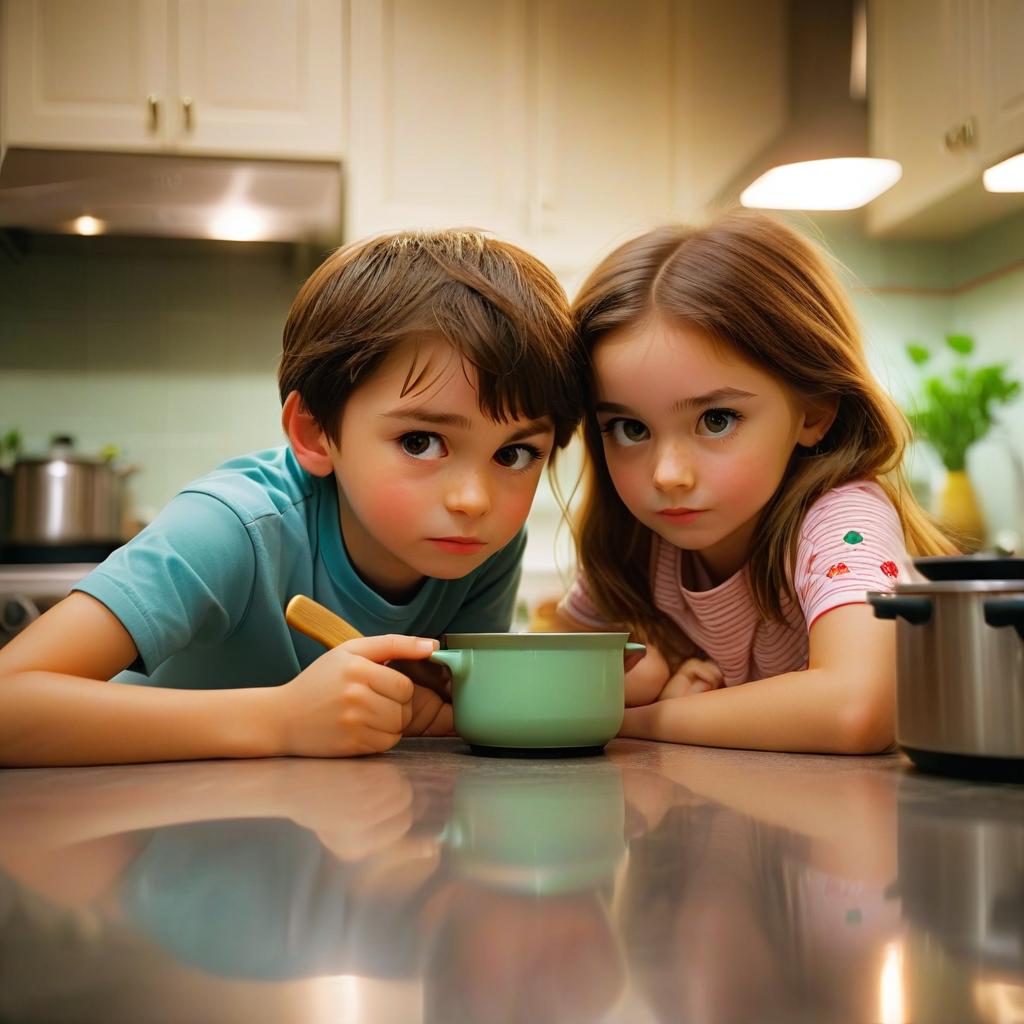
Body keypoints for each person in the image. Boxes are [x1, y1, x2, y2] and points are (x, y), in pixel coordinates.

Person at [0, 230, 584, 766]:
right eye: (420, 441)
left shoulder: (482, 547)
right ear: (314, 433)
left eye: (514, 454)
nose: (473, 500)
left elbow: (439, 706)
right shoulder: (230, 527)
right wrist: (280, 719)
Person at [557, 211, 956, 754]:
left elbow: (855, 709)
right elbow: (558, 673)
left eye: (716, 420)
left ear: (813, 411)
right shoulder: (637, 541)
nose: (667, 475)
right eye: (629, 428)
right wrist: (636, 682)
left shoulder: (842, 521)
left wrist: (642, 717)